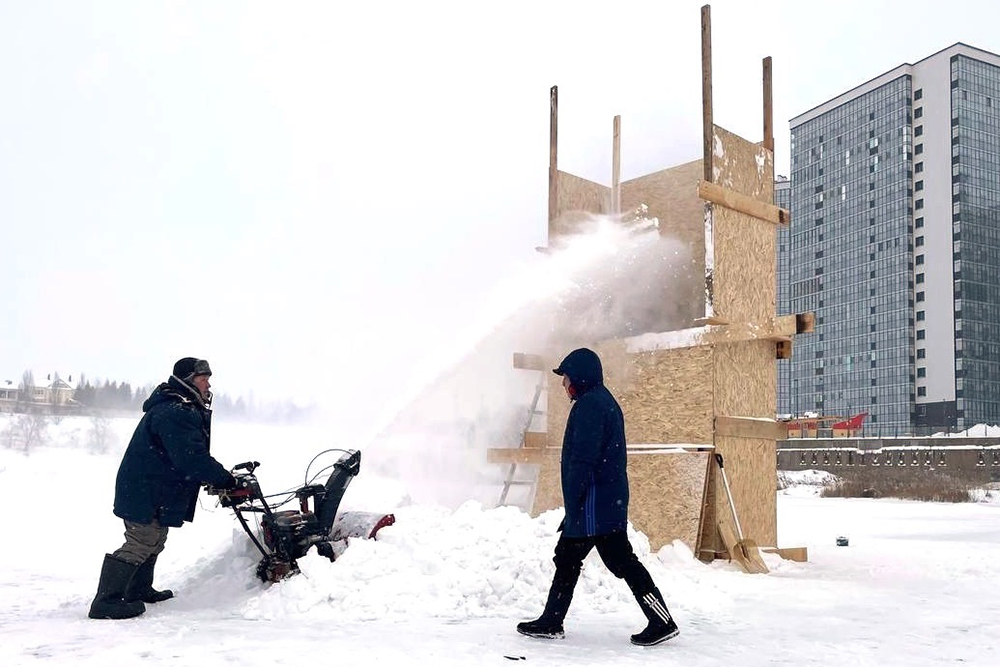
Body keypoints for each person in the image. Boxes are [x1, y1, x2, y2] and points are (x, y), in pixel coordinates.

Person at [516, 347, 679, 646]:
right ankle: (554, 620)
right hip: (602, 503)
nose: (563, 385)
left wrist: (575, 502)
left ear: (579, 377)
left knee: (602, 560)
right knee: (578, 558)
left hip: (594, 506)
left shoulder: (590, 406)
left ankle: (660, 620)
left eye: (565, 378)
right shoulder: (600, 401)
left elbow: (582, 460)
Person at [89, 357, 238, 620]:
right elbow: (190, 457)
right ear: (189, 380)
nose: (208, 384)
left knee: (156, 539)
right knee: (141, 541)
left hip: (154, 488)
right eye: (203, 379)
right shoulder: (175, 411)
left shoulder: (179, 406)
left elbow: (187, 455)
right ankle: (106, 602)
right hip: (144, 489)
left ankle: (138, 589)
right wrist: (224, 479)